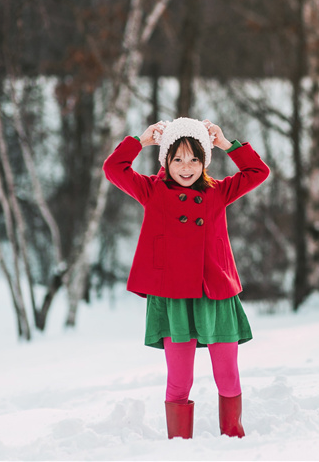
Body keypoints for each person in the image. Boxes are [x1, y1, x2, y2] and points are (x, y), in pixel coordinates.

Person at [103, 117, 270, 440]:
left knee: (228, 375)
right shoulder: (152, 191)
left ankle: (234, 440)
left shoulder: (218, 192)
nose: (186, 167)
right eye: (177, 158)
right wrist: (139, 141)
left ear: (205, 160)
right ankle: (179, 448)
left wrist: (226, 144)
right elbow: (114, 168)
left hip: (215, 295)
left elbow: (258, 172)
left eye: (195, 158)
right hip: (173, 298)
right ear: (165, 160)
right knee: (179, 380)